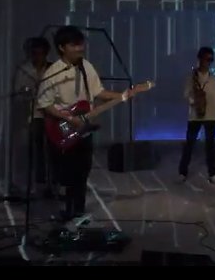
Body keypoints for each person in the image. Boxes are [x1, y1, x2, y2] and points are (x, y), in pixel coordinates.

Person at [37, 26, 132, 224]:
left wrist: (121, 95)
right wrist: (68, 118)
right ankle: (68, 212)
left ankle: (78, 213)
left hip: (84, 128)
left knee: (83, 171)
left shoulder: (86, 66)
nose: (80, 48)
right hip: (63, 129)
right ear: (62, 47)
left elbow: (98, 92)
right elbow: (45, 104)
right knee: (68, 174)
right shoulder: (52, 73)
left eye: (81, 44)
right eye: (74, 45)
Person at [13, 37, 53, 196]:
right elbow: (18, 94)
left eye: (40, 53)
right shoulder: (24, 70)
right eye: (34, 53)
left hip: (53, 114)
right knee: (34, 148)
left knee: (53, 148)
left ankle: (52, 182)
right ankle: (36, 182)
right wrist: (26, 93)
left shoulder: (54, 69)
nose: (37, 57)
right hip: (33, 114)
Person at [178, 46, 215, 184]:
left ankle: (212, 173)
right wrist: (195, 101)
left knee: (210, 145)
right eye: (206, 59)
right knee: (189, 144)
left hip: (211, 115)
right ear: (200, 59)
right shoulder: (192, 77)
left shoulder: (213, 78)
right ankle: (182, 172)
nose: (208, 62)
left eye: (210, 59)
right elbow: (186, 94)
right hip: (195, 115)